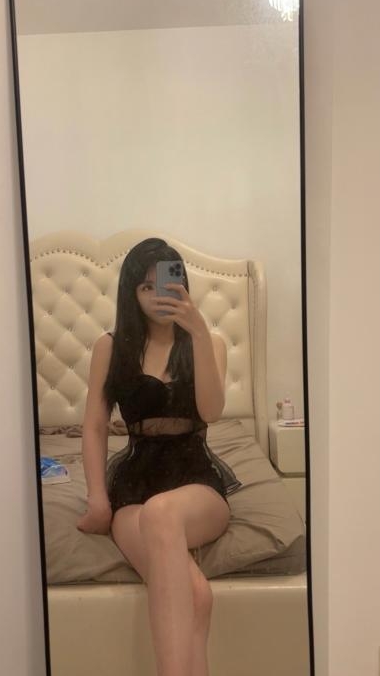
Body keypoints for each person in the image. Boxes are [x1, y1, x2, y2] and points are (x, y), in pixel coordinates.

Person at [76, 237, 243, 676]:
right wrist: (97, 498)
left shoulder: (209, 342)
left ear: (181, 284)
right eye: (145, 287)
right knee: (197, 595)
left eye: (165, 284)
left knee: (162, 512)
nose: (156, 296)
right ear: (131, 293)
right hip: (134, 486)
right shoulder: (111, 347)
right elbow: (94, 426)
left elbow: (211, 411)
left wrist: (199, 331)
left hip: (196, 481)